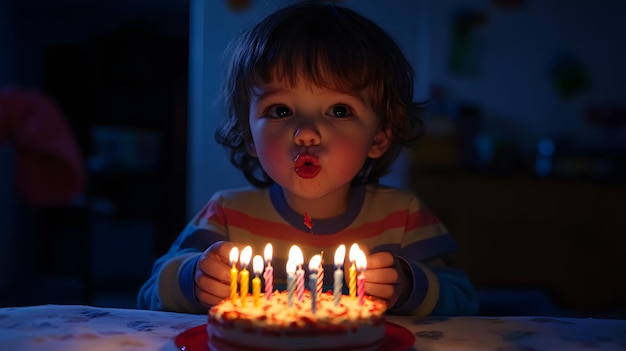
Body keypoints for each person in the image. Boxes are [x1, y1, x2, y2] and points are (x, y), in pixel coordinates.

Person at [138, 1, 478, 316]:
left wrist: (407, 286)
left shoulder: (403, 218)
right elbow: (148, 296)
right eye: (281, 110)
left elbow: (464, 304)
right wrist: (192, 280)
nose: (306, 133)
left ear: (378, 137)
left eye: (339, 110)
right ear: (249, 136)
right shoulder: (225, 216)